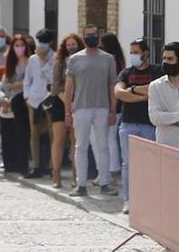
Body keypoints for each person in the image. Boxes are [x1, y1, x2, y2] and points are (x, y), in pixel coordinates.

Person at [64, 24, 119, 197]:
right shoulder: (75, 59)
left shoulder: (108, 59)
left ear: (99, 36)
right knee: (81, 146)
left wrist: (112, 110)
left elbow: (112, 86)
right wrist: (67, 111)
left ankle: (104, 182)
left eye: (94, 34)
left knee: (103, 146)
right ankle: (81, 184)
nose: (91, 37)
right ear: (84, 37)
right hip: (81, 108)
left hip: (102, 107)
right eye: (88, 35)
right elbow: (68, 88)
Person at [114, 38, 163, 210]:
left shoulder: (157, 71)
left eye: (136, 52)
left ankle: (148, 199)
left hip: (149, 124)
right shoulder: (126, 73)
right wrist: (143, 96)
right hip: (128, 123)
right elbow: (119, 93)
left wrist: (133, 91)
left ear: (145, 52)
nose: (133, 55)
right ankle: (128, 199)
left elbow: (156, 89)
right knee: (127, 164)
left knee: (150, 164)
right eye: (131, 52)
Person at [48, 34, 83, 188]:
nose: (71, 47)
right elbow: (55, 85)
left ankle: (76, 175)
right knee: (59, 139)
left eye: (73, 44)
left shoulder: (83, 61)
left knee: (77, 141)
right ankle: (56, 174)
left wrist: (75, 102)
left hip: (79, 102)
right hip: (60, 102)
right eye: (68, 44)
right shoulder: (59, 62)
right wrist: (67, 101)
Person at [23, 29, 56, 177]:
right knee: (34, 132)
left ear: (50, 43)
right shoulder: (32, 59)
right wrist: (27, 96)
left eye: (44, 42)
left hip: (49, 98)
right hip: (34, 99)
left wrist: (44, 62)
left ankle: (52, 165)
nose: (41, 45)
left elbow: (51, 78)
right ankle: (36, 166)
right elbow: (28, 79)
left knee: (52, 133)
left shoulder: (55, 58)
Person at [0, 35, 30, 174]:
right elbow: (5, 85)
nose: (19, 48)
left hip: (24, 102)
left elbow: (30, 82)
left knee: (21, 134)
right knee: (8, 135)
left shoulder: (30, 62)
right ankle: (9, 164)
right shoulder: (10, 64)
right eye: (16, 45)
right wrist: (6, 98)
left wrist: (18, 85)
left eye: (21, 45)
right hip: (10, 101)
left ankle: (22, 164)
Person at [100, 33, 127, 188]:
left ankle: (112, 169)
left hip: (112, 104)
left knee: (110, 138)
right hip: (113, 103)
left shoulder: (112, 61)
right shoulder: (118, 59)